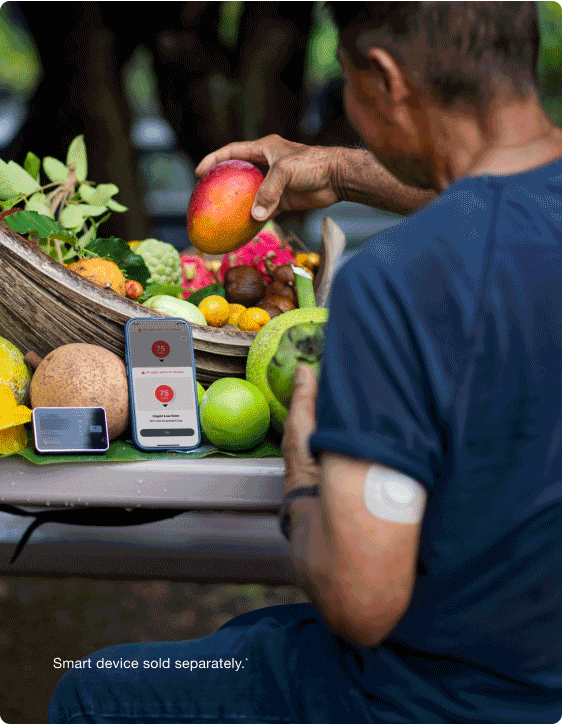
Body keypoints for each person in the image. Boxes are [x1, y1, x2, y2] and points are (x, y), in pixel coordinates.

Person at [48, 3, 562, 723]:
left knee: (97, 686)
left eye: (344, 85)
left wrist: (302, 478)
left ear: (383, 80)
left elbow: (363, 602)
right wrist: (344, 170)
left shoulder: (401, 282)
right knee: (249, 639)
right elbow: (504, 195)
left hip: (432, 697)